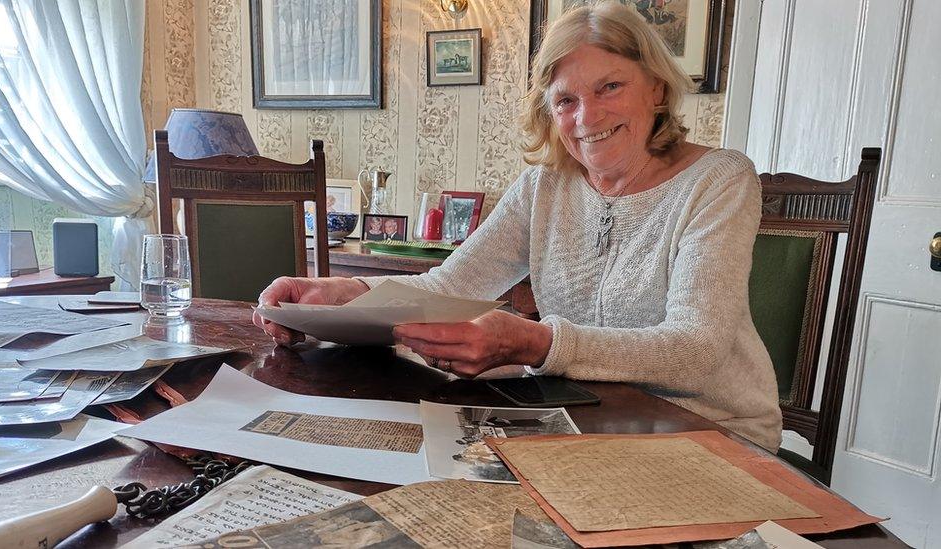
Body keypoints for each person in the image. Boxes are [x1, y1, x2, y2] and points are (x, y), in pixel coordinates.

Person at [253, 3, 781, 452]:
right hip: (584, 419)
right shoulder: (543, 186)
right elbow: (449, 286)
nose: (586, 118)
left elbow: (695, 349)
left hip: (710, 433)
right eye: (565, 100)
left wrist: (535, 344)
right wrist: (338, 294)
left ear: (658, 91)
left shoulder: (718, 179)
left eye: (610, 87)